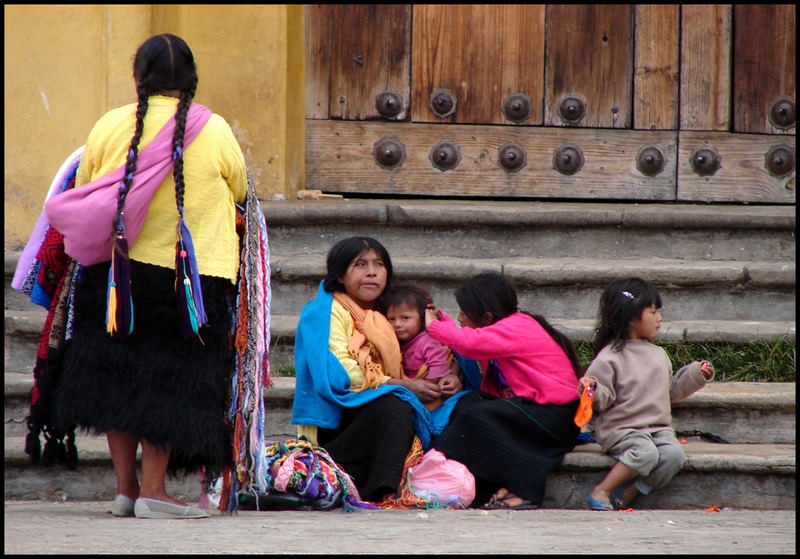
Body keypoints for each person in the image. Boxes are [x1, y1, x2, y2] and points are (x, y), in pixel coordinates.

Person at [48, 34, 248, 519]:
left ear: (140, 76)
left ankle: (126, 490)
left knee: (120, 378)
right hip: (191, 283)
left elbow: (88, 180)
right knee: (170, 382)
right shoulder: (215, 128)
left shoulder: (110, 124)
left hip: (115, 275)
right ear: (190, 79)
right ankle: (156, 491)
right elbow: (239, 185)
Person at [291, 237, 465, 503]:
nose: (372, 272)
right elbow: (341, 373)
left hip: (394, 401)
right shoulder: (323, 312)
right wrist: (403, 384)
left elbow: (440, 341)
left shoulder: (390, 308)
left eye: (379, 264)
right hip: (340, 420)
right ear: (340, 274)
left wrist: (452, 373)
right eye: (360, 265)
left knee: (462, 406)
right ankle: (381, 491)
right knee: (395, 404)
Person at [425, 272, 583, 509]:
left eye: (464, 313)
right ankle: (487, 485)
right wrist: (440, 318)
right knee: (468, 403)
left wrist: (432, 325)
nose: (459, 318)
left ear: (487, 317)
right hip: (536, 410)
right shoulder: (506, 326)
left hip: (555, 416)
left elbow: (470, 342)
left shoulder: (516, 326)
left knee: (474, 417)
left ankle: (524, 488)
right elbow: (469, 337)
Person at [580, 278, 715, 511]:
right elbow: (603, 397)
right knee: (646, 453)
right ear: (632, 317)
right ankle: (601, 490)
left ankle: (632, 491)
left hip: (658, 429)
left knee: (674, 455)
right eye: (653, 312)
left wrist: (695, 374)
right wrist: (590, 388)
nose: (659, 318)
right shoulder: (609, 357)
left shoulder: (658, 354)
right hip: (622, 428)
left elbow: (669, 390)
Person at [380, 283, 455, 410]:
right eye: (391, 319)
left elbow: (439, 367)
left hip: (431, 393)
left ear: (422, 320)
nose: (397, 324)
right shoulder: (394, 342)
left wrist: (430, 386)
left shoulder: (428, 341)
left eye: (405, 318)